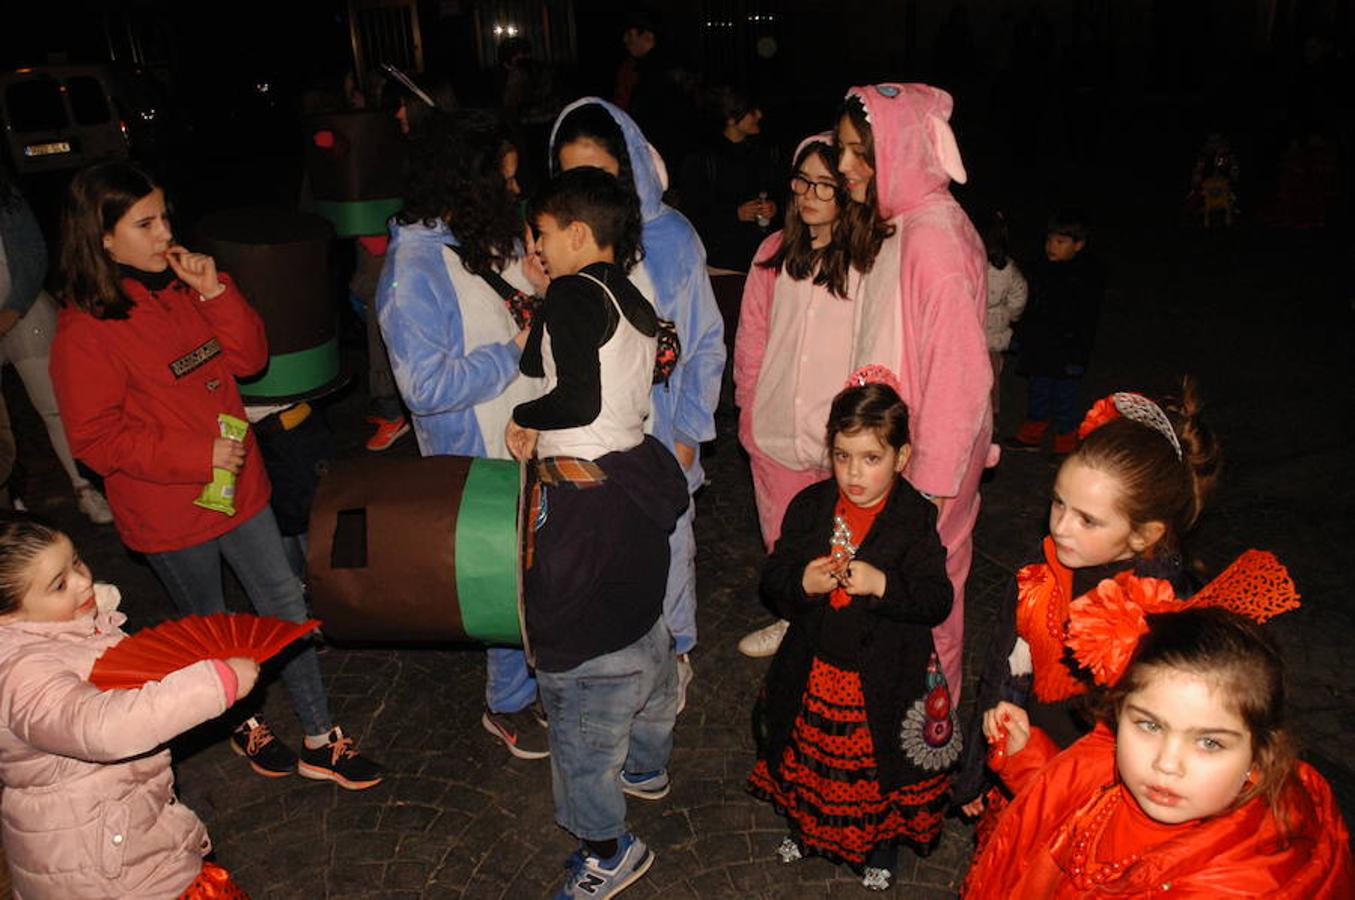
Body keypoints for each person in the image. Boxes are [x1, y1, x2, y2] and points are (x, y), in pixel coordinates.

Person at [49, 161, 382, 789]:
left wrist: (216, 292)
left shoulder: (178, 287)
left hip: (242, 488)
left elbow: (251, 359)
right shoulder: (84, 331)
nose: (164, 233)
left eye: (165, 216)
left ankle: (319, 736)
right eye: (144, 223)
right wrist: (194, 453)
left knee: (283, 601)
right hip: (171, 511)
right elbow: (94, 439)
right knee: (208, 622)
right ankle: (240, 723)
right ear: (102, 238)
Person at [507, 164, 689, 900]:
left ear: (576, 233)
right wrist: (538, 301)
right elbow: (549, 361)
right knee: (635, 617)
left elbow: (570, 396)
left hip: (582, 495)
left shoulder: (576, 294)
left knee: (573, 648)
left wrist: (526, 419)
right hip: (632, 481)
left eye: (544, 234)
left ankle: (608, 848)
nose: (539, 246)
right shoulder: (629, 295)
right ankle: (646, 764)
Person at [953, 382, 1221, 815]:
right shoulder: (1039, 578)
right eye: (1059, 504)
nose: (1061, 528)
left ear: (1143, 535)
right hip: (1025, 766)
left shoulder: (1165, 612)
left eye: (1088, 520)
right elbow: (1002, 678)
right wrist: (983, 772)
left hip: (1100, 796)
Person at [964, 601, 1353, 896]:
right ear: (1119, 714)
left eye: (1209, 742)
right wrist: (1026, 757)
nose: (1166, 764)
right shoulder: (1112, 762)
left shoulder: (1244, 882)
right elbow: (1075, 801)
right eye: (1149, 725)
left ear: (1261, 754)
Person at [375, 110, 551, 759]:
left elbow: (508, 304)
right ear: (464, 185)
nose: (514, 193)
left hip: (522, 437)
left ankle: (529, 682)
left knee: (529, 574)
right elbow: (425, 387)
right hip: (476, 458)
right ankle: (506, 704)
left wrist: (532, 286)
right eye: (501, 182)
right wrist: (513, 349)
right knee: (500, 581)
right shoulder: (413, 271)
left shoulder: (475, 235)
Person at [804, 83, 989, 695]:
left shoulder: (933, 238)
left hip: (921, 471)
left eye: (864, 153)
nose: (847, 167)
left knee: (927, 599)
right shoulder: (902, 223)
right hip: (895, 457)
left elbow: (960, 378)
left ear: (905, 152)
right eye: (844, 150)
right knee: (890, 595)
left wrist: (928, 493)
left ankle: (926, 740)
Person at [748, 373, 959, 892]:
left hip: (885, 676)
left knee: (874, 769)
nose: (854, 473)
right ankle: (806, 826)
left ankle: (879, 847)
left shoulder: (914, 519)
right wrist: (803, 581)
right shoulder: (811, 507)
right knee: (811, 757)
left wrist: (883, 583)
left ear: (901, 456)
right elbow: (774, 582)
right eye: (842, 456)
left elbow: (937, 598)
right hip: (817, 665)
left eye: (871, 458)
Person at [549, 99, 726, 713]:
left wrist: (690, 432)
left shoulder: (670, 238)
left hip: (658, 432)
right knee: (592, 558)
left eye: (599, 173)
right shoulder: (557, 244)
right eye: (572, 175)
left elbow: (704, 341)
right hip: (583, 441)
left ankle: (674, 658)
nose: (587, 190)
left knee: (669, 554)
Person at [0, 512, 259, 897]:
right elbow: (104, 726)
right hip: (107, 872)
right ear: (8, 615)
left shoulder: (62, 633)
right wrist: (215, 684)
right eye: (59, 584)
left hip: (116, 840)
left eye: (76, 562)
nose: (84, 580)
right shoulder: (23, 674)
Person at [733, 133, 858, 656]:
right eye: (802, 180)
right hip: (777, 425)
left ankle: (839, 629)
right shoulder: (772, 254)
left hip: (843, 434)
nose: (808, 193)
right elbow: (751, 339)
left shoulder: (867, 261)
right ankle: (794, 621)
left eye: (824, 185)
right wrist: (748, 409)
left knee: (845, 537)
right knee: (783, 536)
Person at [1, 160, 114, 523]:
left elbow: (32, 255)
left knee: (54, 405)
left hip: (21, 312)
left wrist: (12, 311)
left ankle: (86, 488)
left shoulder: (6, 198)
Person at [1005, 210, 1106, 455]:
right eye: (1050, 240)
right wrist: (1020, 337)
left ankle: (1065, 442)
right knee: (1038, 391)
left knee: (1064, 399)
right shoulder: (1038, 269)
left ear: (1078, 245)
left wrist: (1078, 358)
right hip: (1039, 347)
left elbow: (1086, 323)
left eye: (1060, 242)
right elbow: (1029, 307)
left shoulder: (1084, 279)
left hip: (1066, 351)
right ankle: (1032, 434)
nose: (1052, 246)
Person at [677, 86, 781, 272]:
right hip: (722, 263)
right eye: (751, 112)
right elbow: (692, 212)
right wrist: (735, 215)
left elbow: (781, 193)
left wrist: (774, 207)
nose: (759, 115)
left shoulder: (764, 152)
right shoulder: (703, 157)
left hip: (763, 258)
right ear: (731, 118)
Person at [981, 210, 1028, 427]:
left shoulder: (969, 263)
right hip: (995, 331)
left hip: (973, 329)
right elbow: (1019, 295)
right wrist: (1011, 315)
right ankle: (991, 417)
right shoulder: (1008, 268)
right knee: (991, 377)